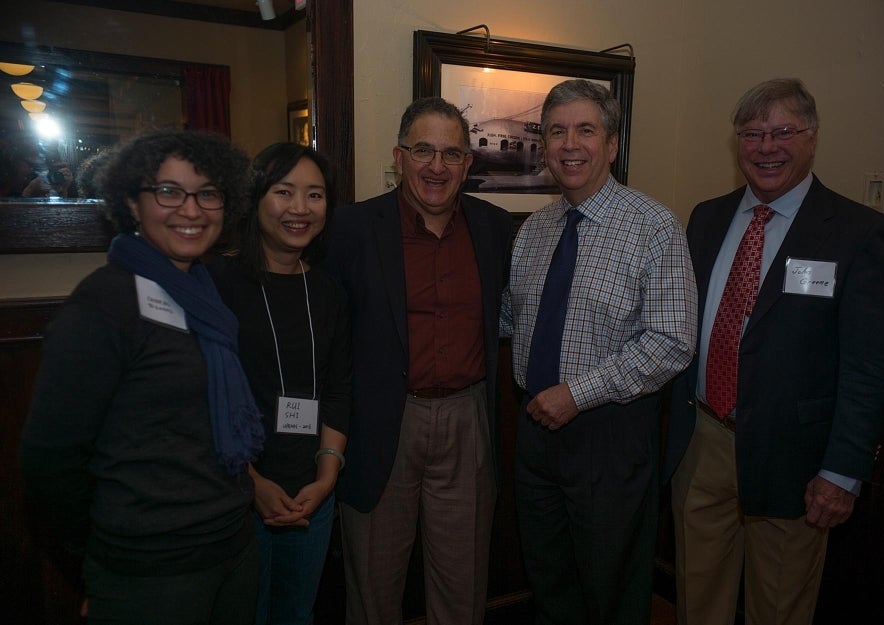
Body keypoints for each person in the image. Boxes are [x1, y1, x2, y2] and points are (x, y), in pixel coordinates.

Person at [664, 78, 884, 625]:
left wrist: (841, 472)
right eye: (752, 134)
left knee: (781, 607)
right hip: (703, 442)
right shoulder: (706, 218)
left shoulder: (858, 233)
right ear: (737, 143)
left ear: (812, 138)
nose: (766, 147)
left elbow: (869, 366)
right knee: (698, 602)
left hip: (796, 458)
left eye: (783, 132)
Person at [19, 130, 263, 625]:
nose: (191, 211)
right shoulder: (104, 304)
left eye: (208, 193)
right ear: (132, 202)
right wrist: (96, 564)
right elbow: (49, 459)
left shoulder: (204, 293)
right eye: (168, 191)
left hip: (231, 546)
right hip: (149, 571)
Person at [501, 78, 698, 625]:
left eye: (585, 130)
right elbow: (514, 321)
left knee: (612, 588)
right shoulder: (535, 231)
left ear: (612, 145)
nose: (569, 144)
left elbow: (671, 342)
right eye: (556, 131)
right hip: (535, 432)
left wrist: (577, 394)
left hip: (609, 433)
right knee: (549, 578)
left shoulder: (655, 227)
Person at [323, 97, 513, 625]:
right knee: (373, 590)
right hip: (381, 424)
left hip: (467, 423)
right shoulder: (349, 230)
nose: (437, 166)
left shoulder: (497, 230)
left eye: (451, 154)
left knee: (462, 586)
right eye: (423, 150)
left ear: (468, 165)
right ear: (399, 157)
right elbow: (327, 340)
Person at [210, 142, 350, 625]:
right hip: (236, 494)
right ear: (255, 199)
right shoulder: (218, 282)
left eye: (314, 196)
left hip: (312, 492)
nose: (299, 209)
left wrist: (327, 476)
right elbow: (202, 399)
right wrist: (252, 483)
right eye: (284, 192)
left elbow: (337, 388)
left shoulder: (328, 289)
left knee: (296, 615)